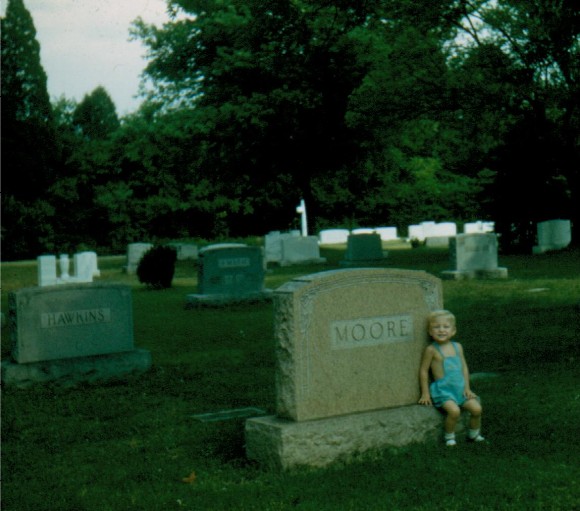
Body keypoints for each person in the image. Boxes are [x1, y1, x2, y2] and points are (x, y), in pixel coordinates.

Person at [418, 309, 485, 446]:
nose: (441, 330)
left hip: (459, 389)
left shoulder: (457, 347)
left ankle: (474, 434)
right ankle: (449, 437)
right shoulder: (431, 350)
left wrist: (467, 388)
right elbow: (424, 371)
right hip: (444, 391)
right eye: (436, 327)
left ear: (453, 331)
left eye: (446, 327)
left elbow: (464, 368)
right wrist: (425, 393)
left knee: (477, 409)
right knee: (454, 411)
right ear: (430, 331)